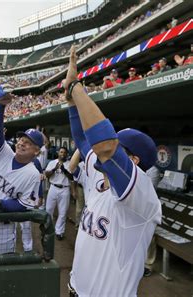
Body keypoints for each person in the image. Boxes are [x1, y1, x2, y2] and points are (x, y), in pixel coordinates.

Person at [64, 45, 161, 296]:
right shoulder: (100, 175)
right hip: (75, 289)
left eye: (120, 147)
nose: (104, 149)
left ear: (134, 161)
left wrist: (76, 87)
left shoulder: (141, 191)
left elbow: (105, 146)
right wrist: (73, 104)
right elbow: (82, 139)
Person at [0, 98, 43, 254]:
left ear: (37, 151)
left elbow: (24, 205)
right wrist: (0, 104)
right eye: (21, 139)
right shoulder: (5, 153)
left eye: (28, 142)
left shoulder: (33, 174)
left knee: (0, 270)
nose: (21, 143)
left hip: (2, 229)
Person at [44, 147, 73, 240]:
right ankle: (48, 229)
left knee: (63, 212)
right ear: (58, 153)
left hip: (64, 189)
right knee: (48, 210)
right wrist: (54, 169)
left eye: (64, 152)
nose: (62, 154)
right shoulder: (52, 162)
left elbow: (72, 177)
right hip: (53, 187)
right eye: (61, 152)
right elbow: (46, 175)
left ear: (67, 154)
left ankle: (59, 232)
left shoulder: (70, 164)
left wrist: (64, 170)